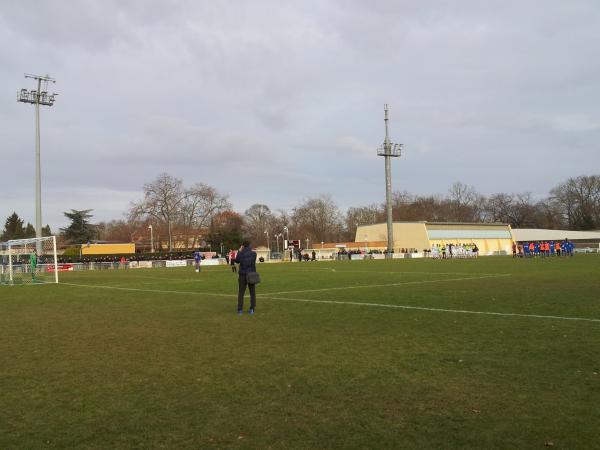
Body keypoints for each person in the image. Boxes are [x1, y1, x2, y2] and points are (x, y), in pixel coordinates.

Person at [235, 240, 257, 314]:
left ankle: (240, 309)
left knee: (241, 293)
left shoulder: (241, 253)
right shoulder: (254, 254)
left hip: (242, 275)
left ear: (243, 246)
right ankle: (252, 309)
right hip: (251, 274)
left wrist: (239, 251)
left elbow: (237, 261)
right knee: (252, 292)